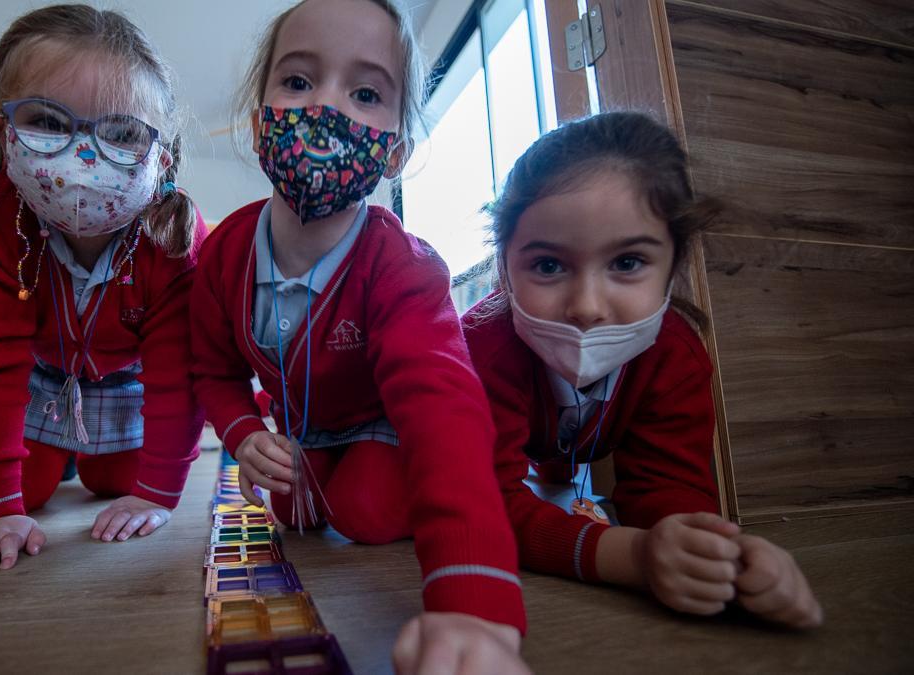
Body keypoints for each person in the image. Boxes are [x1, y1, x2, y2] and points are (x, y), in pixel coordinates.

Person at [189, 1, 530, 671]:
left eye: (366, 92)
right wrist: (241, 433)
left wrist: (472, 601)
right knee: (292, 510)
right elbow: (210, 368)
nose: (326, 109)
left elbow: (443, 414)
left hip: (379, 424)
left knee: (368, 510)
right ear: (261, 125)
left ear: (396, 151)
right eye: (297, 82)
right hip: (304, 429)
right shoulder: (226, 253)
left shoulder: (403, 267)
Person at [464, 111, 821, 628]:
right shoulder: (480, 348)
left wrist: (712, 555)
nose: (587, 307)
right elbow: (481, 503)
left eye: (627, 263)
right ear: (504, 265)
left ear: (673, 266)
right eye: (547, 265)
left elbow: (669, 487)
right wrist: (632, 557)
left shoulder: (675, 355)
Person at [0, 4, 206, 577]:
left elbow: (178, 376)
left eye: (120, 134)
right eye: (47, 122)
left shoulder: (172, 241)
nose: (84, 157)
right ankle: (57, 452)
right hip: (41, 372)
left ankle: (81, 454)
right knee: (31, 490)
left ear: (161, 157)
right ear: (1, 133)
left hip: (124, 375)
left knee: (115, 481)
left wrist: (157, 495)